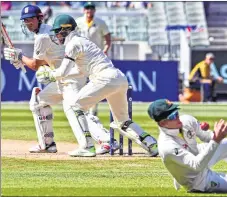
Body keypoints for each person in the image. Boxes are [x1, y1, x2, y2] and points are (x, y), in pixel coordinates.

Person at [3, 5, 119, 156]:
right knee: (39, 101)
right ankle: (47, 143)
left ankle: (107, 140)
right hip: (63, 78)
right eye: (25, 20)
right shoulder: (46, 30)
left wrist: (19, 56)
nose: (27, 23)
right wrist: (21, 59)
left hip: (71, 77)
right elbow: (47, 60)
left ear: (39, 18)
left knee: (74, 109)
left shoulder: (42, 37)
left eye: (30, 19)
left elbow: (35, 65)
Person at [36, 14, 159, 157]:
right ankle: (151, 144)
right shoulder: (82, 42)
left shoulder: (73, 44)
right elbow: (80, 71)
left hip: (103, 78)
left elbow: (63, 71)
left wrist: (51, 74)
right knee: (122, 121)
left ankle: (87, 146)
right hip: (118, 78)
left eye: (57, 31)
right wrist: (55, 73)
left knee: (74, 106)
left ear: (65, 30)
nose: (56, 36)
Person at [147, 99, 227, 193]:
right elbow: (197, 165)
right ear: (162, 123)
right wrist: (216, 140)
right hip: (196, 179)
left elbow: (206, 136)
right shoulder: (166, 146)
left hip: (198, 153)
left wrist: (215, 134)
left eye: (176, 112)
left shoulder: (186, 120)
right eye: (172, 116)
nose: (177, 117)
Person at [76, 2, 112, 116]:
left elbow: (108, 38)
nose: (89, 11)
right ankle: (81, 107)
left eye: (91, 8)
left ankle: (93, 109)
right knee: (81, 83)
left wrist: (105, 50)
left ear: (94, 10)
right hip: (81, 57)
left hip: (97, 58)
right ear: (84, 10)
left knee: (96, 83)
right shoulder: (78, 22)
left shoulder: (101, 22)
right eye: (87, 8)